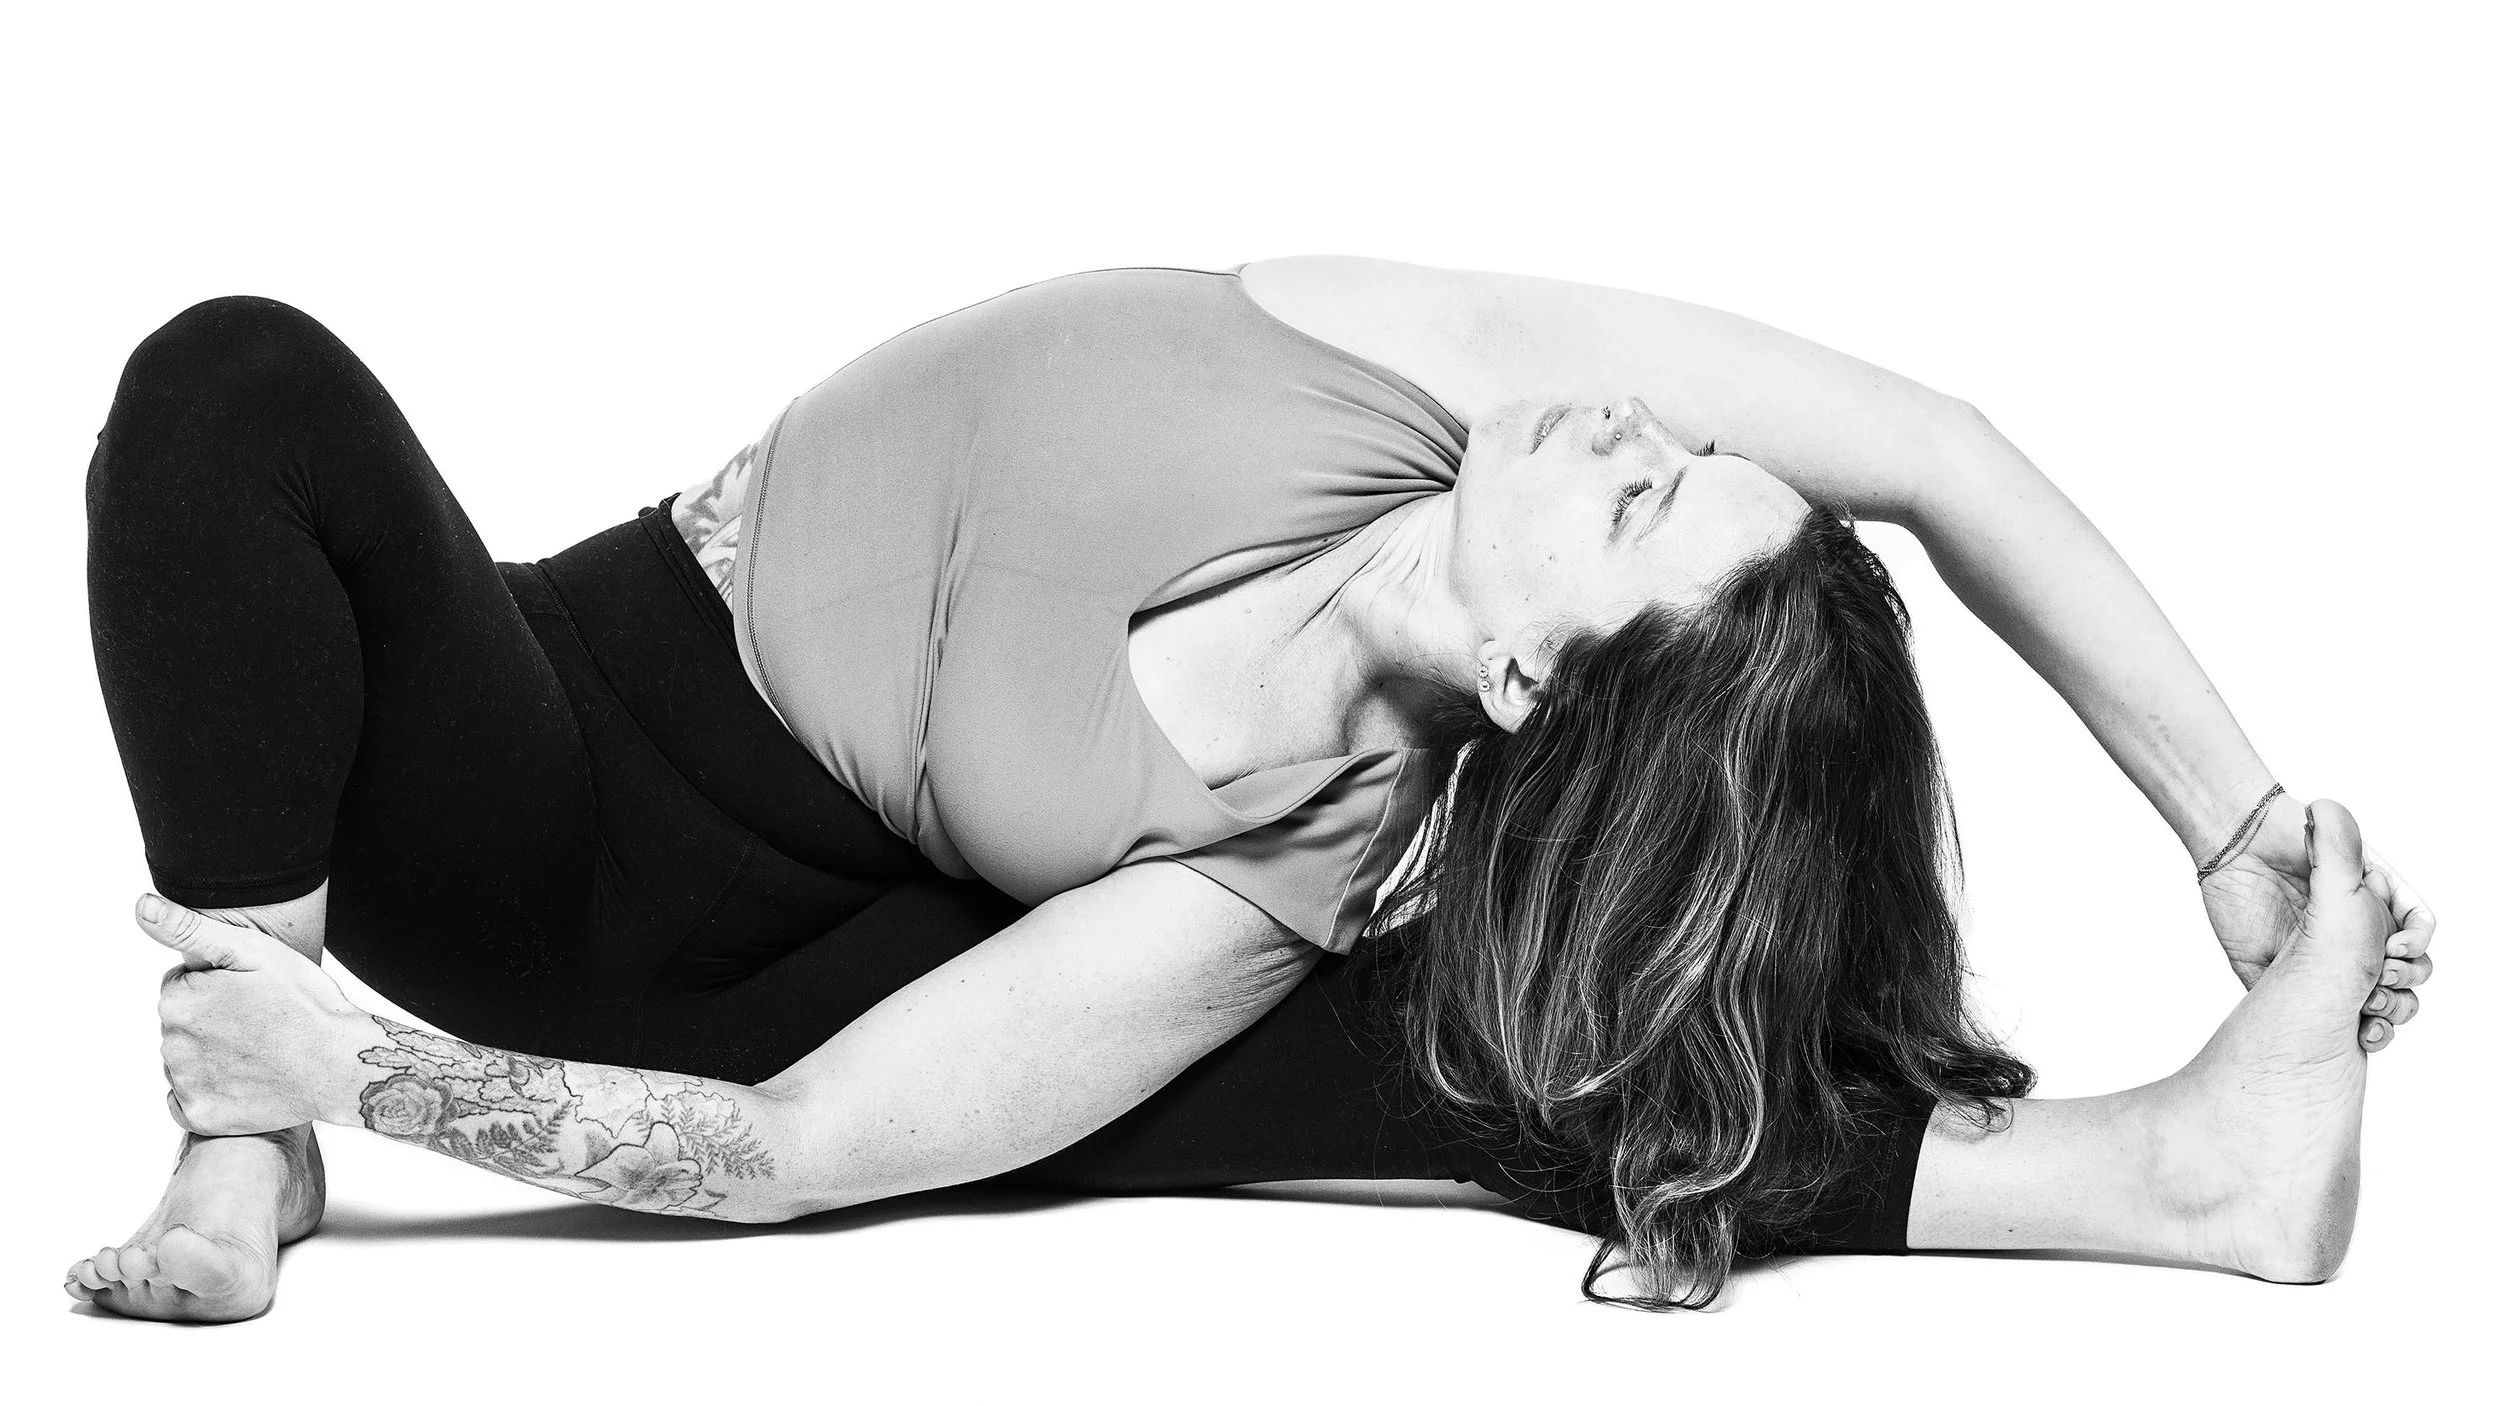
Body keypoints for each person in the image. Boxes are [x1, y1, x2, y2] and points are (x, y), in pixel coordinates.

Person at [65, 261, 2433, 1322]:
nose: (1643, 430)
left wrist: (381, 1079)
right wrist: (2228, 819)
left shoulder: (1274, 875)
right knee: (230, 386)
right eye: (1687, 457)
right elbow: (1932, 451)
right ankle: (234, 1102)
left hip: (741, 979)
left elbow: (790, 1144)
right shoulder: (1407, 366)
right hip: (548, 770)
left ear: (1530, 676)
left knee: (1476, 1046)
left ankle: (2166, 1173)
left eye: (1640, 506)